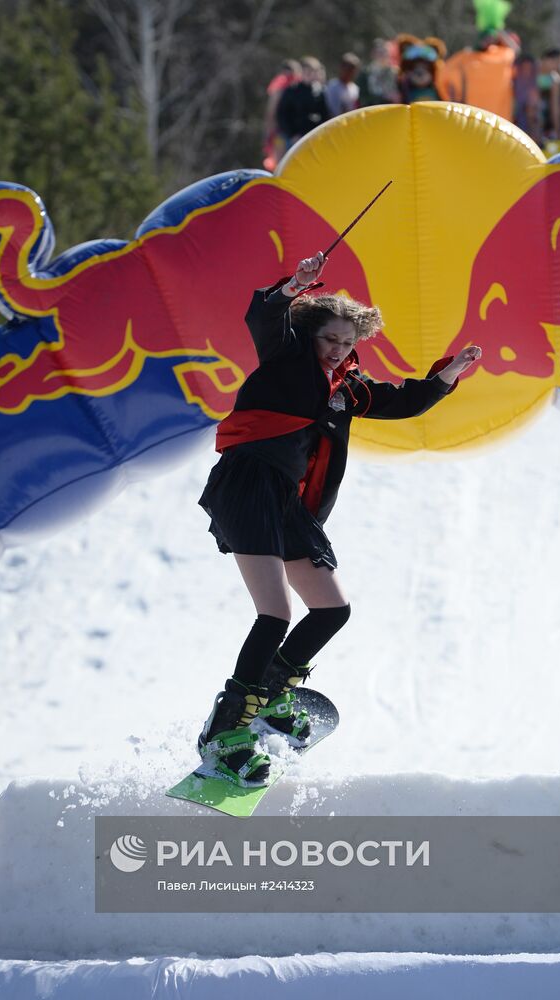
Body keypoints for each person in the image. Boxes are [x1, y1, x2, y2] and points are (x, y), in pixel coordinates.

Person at [196, 252, 482, 786]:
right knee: (275, 614)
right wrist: (294, 287)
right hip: (248, 485)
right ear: (310, 334)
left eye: (348, 343)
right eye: (330, 339)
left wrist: (447, 375)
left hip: (286, 502)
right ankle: (225, 730)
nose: (339, 350)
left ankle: (273, 695)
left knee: (331, 609)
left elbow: (403, 402)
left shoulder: (346, 389)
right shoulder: (285, 355)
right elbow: (262, 316)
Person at [276, 56, 330, 150]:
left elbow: (324, 114)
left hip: (314, 136)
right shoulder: (291, 91)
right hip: (295, 139)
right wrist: (292, 134)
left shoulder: (319, 91)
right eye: (308, 72)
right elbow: (282, 115)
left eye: (313, 72)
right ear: (301, 72)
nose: (311, 75)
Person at [262, 59, 302, 170]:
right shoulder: (280, 84)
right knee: (280, 163)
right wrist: (269, 131)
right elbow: (271, 111)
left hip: (292, 130)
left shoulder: (298, 85)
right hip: (280, 130)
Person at [358, 38, 400, 106]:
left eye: (385, 52)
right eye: (380, 52)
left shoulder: (395, 72)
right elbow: (363, 99)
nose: (384, 55)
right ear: (373, 54)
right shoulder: (365, 74)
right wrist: (384, 98)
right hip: (374, 112)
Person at [325, 53, 361, 117]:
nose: (351, 73)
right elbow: (335, 112)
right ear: (341, 68)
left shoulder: (355, 88)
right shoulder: (333, 87)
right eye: (348, 69)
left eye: (354, 70)